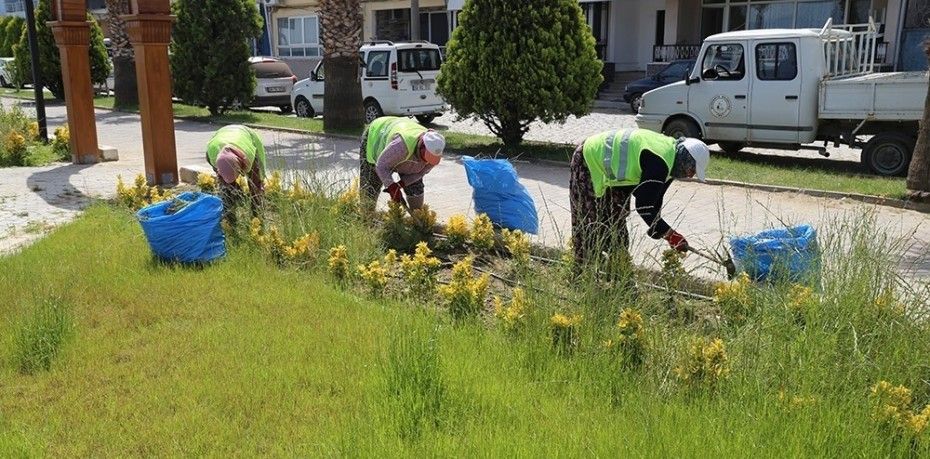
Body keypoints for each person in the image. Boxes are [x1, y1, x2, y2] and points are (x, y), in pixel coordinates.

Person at [569, 128, 710, 268]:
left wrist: (659, 230)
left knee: (616, 227)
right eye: (692, 170)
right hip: (590, 159)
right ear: (685, 159)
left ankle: (618, 276)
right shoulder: (660, 162)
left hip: (615, 178)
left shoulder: (670, 162)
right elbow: (644, 206)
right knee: (589, 225)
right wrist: (670, 234)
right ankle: (582, 275)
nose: (690, 176)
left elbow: (653, 200)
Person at [359, 116, 445, 211]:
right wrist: (391, 186)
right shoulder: (401, 146)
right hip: (378, 133)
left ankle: (417, 215)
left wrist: (401, 184)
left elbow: (419, 173)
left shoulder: (435, 151)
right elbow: (381, 166)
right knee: (371, 183)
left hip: (406, 154)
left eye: (430, 160)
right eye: (426, 157)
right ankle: (366, 216)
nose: (427, 162)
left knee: (415, 188)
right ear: (421, 146)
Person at [205, 124, 267, 220]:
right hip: (221, 136)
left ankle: (257, 216)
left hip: (247, 135)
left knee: (256, 187)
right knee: (227, 189)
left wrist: (256, 197)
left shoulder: (249, 156)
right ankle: (229, 215)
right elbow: (223, 178)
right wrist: (231, 187)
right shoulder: (211, 155)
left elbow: (256, 183)